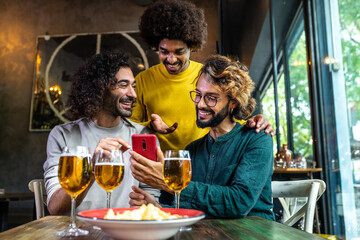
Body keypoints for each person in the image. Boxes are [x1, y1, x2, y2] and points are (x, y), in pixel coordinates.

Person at [129, 55, 275, 220]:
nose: (200, 104)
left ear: (233, 101)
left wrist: (170, 183)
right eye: (198, 94)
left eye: (211, 98)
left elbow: (238, 202)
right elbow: (183, 208)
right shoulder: (192, 150)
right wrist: (158, 207)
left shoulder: (257, 139)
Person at [130, 0, 274, 153]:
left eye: (179, 52)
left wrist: (256, 123)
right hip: (161, 164)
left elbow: (232, 118)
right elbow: (130, 128)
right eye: (164, 52)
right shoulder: (143, 80)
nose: (171, 59)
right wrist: (150, 126)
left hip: (205, 162)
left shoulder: (207, 77)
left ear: (192, 46)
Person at [43, 51, 160, 215]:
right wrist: (90, 169)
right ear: (99, 89)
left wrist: (150, 203)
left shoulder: (143, 135)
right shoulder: (62, 135)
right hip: (78, 233)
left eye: (133, 86)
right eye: (123, 85)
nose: (133, 94)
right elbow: (56, 209)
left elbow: (153, 201)